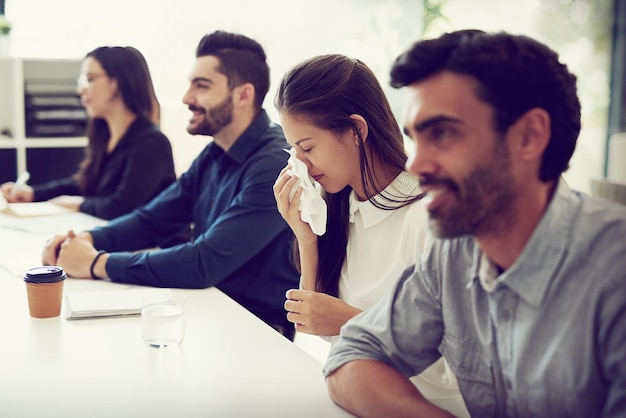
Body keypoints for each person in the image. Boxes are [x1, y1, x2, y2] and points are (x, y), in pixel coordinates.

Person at [323, 29, 626, 417]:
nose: (416, 165)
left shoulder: (614, 273)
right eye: (416, 137)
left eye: (443, 133)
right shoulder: (456, 251)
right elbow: (351, 354)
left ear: (529, 136)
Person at [42, 31, 300, 340]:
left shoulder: (273, 163)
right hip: (203, 308)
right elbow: (151, 220)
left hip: (253, 331)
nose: (186, 98)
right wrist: (84, 239)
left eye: (201, 86)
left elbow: (204, 262)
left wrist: (97, 263)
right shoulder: (214, 154)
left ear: (243, 95)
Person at [273, 54, 468, 417]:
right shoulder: (344, 210)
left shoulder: (431, 219)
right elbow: (318, 327)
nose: (300, 165)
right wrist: (307, 239)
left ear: (356, 131)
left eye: (309, 148)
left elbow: (458, 368)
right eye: (293, 150)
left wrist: (351, 320)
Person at [1, 46, 176, 220]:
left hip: (151, 245)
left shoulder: (152, 143)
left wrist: (79, 204)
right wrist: (34, 194)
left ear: (120, 81)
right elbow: (86, 184)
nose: (80, 90)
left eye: (90, 79)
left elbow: (121, 207)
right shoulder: (104, 135)